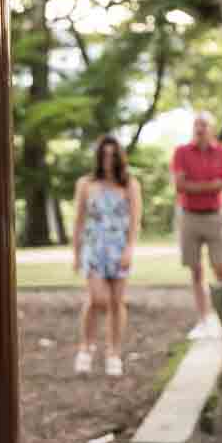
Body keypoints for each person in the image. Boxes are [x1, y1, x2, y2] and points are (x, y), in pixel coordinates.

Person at [171, 111, 222, 337]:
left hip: (215, 217)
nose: (199, 129)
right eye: (196, 125)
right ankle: (204, 320)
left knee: (221, 269)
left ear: (211, 129)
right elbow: (180, 186)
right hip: (189, 217)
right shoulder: (182, 153)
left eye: (204, 125)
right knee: (196, 271)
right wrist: (216, 185)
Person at [72, 134, 142, 377]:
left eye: (112, 155)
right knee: (98, 299)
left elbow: (135, 221)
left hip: (119, 248)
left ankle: (113, 353)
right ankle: (86, 347)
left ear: (119, 158)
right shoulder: (85, 184)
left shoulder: (130, 185)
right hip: (94, 248)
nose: (108, 160)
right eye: (104, 155)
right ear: (98, 157)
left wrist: (130, 249)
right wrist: (76, 252)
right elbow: (79, 221)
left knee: (117, 302)